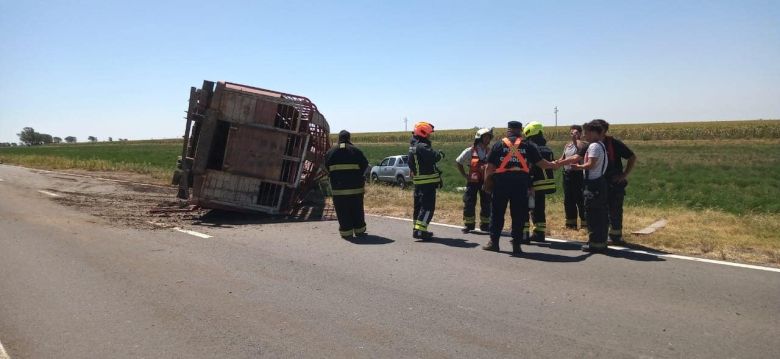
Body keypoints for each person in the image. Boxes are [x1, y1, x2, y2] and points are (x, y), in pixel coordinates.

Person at [482, 121, 561, 255]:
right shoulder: (528, 145)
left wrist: (487, 184)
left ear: (509, 130)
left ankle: (494, 242)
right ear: (521, 131)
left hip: (501, 183)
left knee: (497, 213)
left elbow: (489, 168)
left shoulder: (498, 144)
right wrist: (554, 164)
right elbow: (541, 163)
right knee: (519, 215)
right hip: (520, 184)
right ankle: (517, 245)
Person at [592, 119, 637, 245]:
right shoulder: (592, 145)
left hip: (614, 184)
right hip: (599, 184)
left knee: (615, 210)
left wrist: (624, 174)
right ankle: (602, 235)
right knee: (601, 211)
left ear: (603, 131)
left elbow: (632, 157)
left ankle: (616, 236)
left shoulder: (613, 143)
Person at [569, 121, 609, 252]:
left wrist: (578, 167)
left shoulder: (593, 147)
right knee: (600, 213)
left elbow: (591, 164)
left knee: (592, 213)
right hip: (599, 183)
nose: (585, 135)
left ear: (593, 132)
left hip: (593, 184)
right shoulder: (601, 145)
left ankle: (595, 243)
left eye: (586, 133)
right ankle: (600, 241)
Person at [324, 130, 369, 239]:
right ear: (349, 138)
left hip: (338, 190)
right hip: (356, 189)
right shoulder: (356, 151)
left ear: (339, 139)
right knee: (357, 209)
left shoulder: (330, 152)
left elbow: (325, 168)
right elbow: (365, 166)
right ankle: (360, 231)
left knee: (342, 210)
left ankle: (346, 233)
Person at [407, 122, 445, 241]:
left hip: (419, 183)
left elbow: (411, 163)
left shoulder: (413, 146)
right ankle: (421, 231)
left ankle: (417, 229)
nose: (429, 136)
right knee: (428, 207)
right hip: (427, 184)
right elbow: (434, 157)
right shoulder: (422, 146)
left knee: (419, 207)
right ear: (423, 133)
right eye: (428, 134)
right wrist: (441, 154)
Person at [522, 121, 556, 243]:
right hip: (545, 184)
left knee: (526, 208)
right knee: (539, 209)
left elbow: (530, 167)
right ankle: (539, 233)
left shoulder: (532, 148)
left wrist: (528, 183)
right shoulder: (547, 148)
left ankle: (524, 234)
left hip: (534, 184)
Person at [455, 128, 493, 233]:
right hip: (472, 182)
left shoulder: (491, 151)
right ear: (479, 138)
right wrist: (464, 175)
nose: (487, 139)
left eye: (489, 137)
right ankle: (469, 225)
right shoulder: (470, 150)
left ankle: (485, 225)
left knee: (487, 202)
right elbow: (459, 161)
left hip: (486, 181)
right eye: (485, 137)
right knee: (469, 202)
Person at [558, 124, 588, 230]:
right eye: (571, 132)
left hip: (578, 175)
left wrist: (576, 139)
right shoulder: (567, 145)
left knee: (580, 199)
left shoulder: (583, 144)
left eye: (576, 132)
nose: (573, 134)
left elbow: (578, 156)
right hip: (567, 174)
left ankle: (585, 223)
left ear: (580, 133)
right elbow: (563, 157)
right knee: (568, 199)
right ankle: (571, 223)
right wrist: (556, 163)